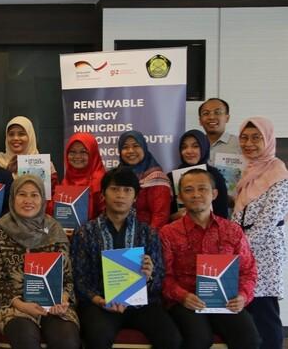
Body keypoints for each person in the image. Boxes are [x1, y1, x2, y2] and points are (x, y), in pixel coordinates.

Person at [70, 168, 181, 349]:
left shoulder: (148, 233)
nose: (120, 195)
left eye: (127, 190)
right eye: (114, 189)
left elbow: (160, 278)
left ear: (135, 197)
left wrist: (149, 275)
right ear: (103, 194)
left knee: (171, 339)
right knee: (97, 338)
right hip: (100, 303)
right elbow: (79, 278)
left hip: (142, 304)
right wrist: (99, 300)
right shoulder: (85, 232)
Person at [160, 169, 260, 349]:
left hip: (225, 300)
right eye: (188, 190)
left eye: (202, 189)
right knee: (198, 339)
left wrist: (242, 296)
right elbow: (164, 276)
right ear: (180, 197)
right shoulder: (168, 233)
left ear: (214, 194)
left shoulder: (232, 230)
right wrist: (183, 296)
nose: (196, 194)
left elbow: (248, 271)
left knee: (249, 339)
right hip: (186, 301)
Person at [0, 174, 80, 349]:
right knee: (25, 338)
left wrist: (62, 300)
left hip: (54, 305)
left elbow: (67, 278)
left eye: (34, 195)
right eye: (22, 194)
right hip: (14, 305)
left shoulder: (54, 229)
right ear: (13, 198)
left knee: (67, 340)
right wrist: (20, 304)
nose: (28, 200)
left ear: (42, 199)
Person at [231, 117, 288, 349]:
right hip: (245, 249)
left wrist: (239, 248)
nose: (249, 143)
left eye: (256, 138)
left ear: (268, 140)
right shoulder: (250, 171)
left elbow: (269, 219)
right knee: (249, 309)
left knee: (265, 311)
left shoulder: (278, 172)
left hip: (265, 251)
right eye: (244, 138)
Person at [168, 129, 229, 220]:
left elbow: (222, 213)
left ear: (204, 148)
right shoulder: (171, 177)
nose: (189, 151)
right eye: (184, 147)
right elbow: (165, 216)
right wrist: (177, 217)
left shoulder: (215, 175)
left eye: (195, 146)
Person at [116, 131, 172, 228]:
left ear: (144, 148)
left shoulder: (156, 178)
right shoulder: (117, 175)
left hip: (145, 234)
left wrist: (149, 236)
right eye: (125, 147)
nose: (130, 151)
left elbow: (160, 217)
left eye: (136, 146)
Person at [61, 132, 107, 220]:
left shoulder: (102, 182)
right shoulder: (66, 180)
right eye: (72, 152)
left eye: (83, 152)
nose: (77, 156)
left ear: (93, 153)